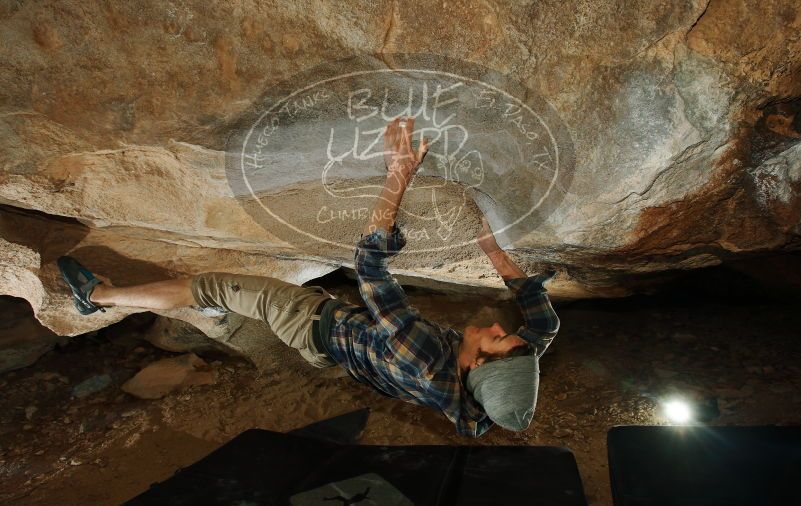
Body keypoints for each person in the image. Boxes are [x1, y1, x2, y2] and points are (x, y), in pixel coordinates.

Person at [58, 117, 560, 437]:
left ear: (473, 367)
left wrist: (397, 176)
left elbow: (369, 268)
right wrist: (496, 256)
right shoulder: (503, 374)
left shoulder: (426, 362)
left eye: (494, 341)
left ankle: (97, 296)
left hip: (312, 325)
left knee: (209, 284)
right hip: (346, 335)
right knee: (242, 296)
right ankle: (215, 309)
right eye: (509, 335)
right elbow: (542, 322)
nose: (498, 326)